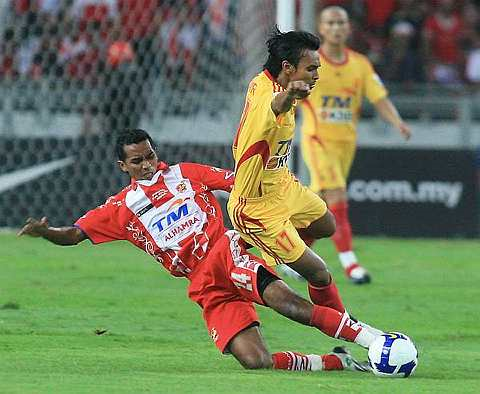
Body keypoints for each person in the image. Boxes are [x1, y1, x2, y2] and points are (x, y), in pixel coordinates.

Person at [18, 128, 379, 372]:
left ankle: (374, 340)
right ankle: (338, 362)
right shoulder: (119, 208)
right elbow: (75, 234)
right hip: (203, 283)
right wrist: (46, 232)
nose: (146, 165)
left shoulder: (185, 173)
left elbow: (238, 182)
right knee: (256, 362)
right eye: (137, 161)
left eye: (149, 156)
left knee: (289, 304)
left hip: (225, 251)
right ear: (122, 166)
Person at [226, 27, 372, 324]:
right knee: (319, 273)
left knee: (326, 224)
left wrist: (292, 91)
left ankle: (255, 245)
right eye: (312, 68)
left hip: (281, 184)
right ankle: (346, 325)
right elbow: (272, 107)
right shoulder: (269, 98)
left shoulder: (261, 79)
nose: (318, 74)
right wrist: (291, 93)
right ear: (288, 69)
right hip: (256, 205)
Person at [299, 6, 411, 284]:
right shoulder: (311, 63)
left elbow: (379, 97)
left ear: (348, 28)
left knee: (321, 207)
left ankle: (296, 259)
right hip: (317, 140)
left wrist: (397, 122)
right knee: (337, 195)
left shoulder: (359, 64)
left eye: (341, 23)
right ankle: (351, 264)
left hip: (345, 144)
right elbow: (290, 92)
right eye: (331, 23)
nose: (336, 27)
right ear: (321, 29)